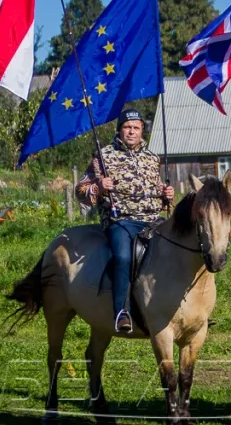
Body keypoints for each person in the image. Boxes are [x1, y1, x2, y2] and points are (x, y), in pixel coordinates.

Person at [76, 109, 174, 333]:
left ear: (142, 131)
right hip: (121, 221)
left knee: (176, 250)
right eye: (127, 127)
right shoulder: (103, 156)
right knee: (122, 256)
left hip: (153, 220)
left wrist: (166, 194)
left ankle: (175, 308)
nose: (132, 131)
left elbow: (158, 188)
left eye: (136, 127)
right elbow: (80, 191)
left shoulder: (151, 158)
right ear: (119, 130)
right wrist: (98, 187)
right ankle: (122, 311)